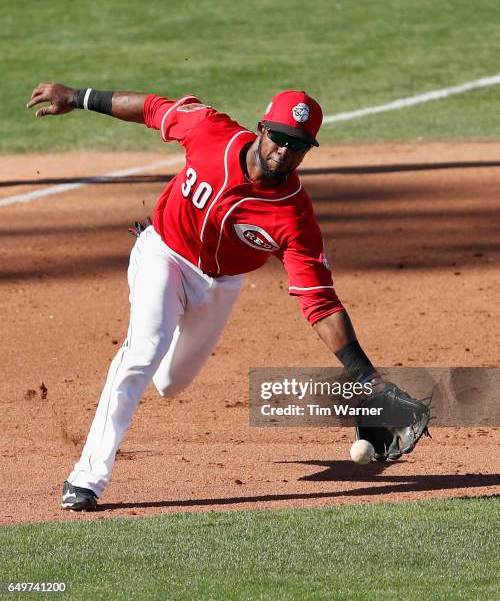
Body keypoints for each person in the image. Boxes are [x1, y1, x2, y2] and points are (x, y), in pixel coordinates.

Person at [26, 83, 403, 511]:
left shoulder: (294, 218)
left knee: (170, 383)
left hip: (221, 285)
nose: (283, 150)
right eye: (278, 137)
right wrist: (77, 97)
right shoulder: (209, 131)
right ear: (262, 129)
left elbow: (319, 301)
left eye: (297, 145)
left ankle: (155, 352)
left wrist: (364, 373)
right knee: (142, 353)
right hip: (163, 254)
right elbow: (150, 109)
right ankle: (87, 478)